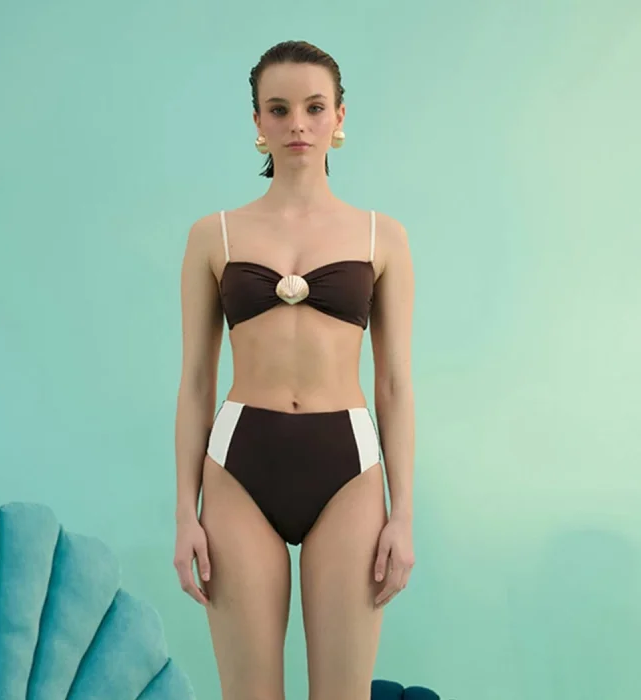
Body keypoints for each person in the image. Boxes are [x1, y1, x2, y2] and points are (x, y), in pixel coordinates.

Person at [173, 40, 416, 700]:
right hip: (237, 469)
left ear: (339, 117)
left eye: (314, 107)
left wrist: (403, 515)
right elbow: (196, 381)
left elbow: (394, 384)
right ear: (258, 122)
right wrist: (184, 514)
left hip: (349, 470)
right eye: (278, 109)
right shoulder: (213, 236)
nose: (298, 124)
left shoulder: (383, 237)